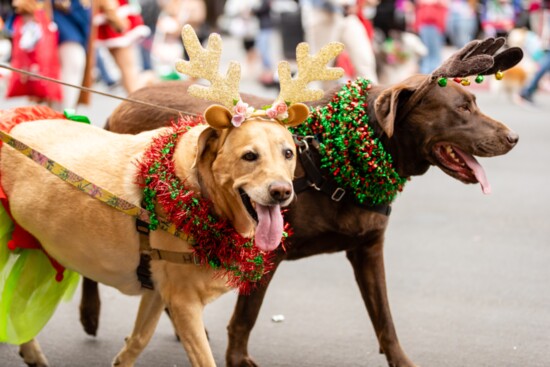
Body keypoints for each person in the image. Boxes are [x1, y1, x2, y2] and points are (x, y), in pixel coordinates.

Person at [300, 0, 378, 83]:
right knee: (319, 66)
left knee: (364, 60)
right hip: (323, 13)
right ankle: (301, 93)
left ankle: (373, 93)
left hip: (348, 15)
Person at [517, 0, 550, 104]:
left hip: (544, 42)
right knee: (543, 66)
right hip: (541, 42)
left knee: (543, 66)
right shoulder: (539, 9)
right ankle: (526, 92)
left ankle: (527, 92)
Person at [413, 0, 449, 74]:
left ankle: (435, 72)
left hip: (436, 25)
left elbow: (445, 4)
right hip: (423, 24)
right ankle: (425, 72)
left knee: (435, 51)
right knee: (424, 51)